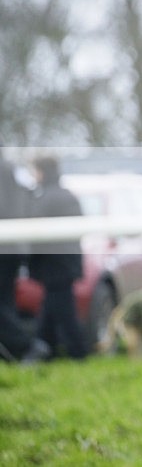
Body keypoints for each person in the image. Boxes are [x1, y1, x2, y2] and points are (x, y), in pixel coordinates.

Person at [28, 156, 87, 360]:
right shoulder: (67, 195)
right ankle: (46, 348)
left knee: (63, 312)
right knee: (52, 309)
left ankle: (77, 353)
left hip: (54, 265)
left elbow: (34, 234)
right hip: (66, 264)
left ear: (42, 172)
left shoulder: (44, 198)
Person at [0, 149, 50, 362]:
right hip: (14, 247)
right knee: (7, 303)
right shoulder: (13, 169)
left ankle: (28, 347)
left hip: (6, 246)